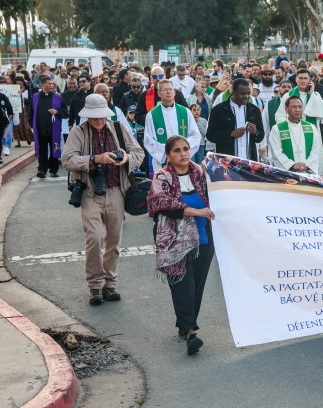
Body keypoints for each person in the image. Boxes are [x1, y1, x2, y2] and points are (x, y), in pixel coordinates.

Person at [61, 94, 145, 305]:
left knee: (113, 242)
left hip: (116, 190)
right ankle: (95, 286)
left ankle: (110, 284)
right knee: (95, 238)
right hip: (89, 192)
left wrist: (125, 159)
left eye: (102, 117)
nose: (99, 121)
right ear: (87, 116)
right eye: (95, 117)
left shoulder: (118, 128)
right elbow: (67, 160)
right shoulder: (78, 132)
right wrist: (94, 159)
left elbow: (138, 153)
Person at [147, 135, 214, 355]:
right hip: (175, 242)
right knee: (183, 285)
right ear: (168, 155)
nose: (183, 153)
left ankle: (185, 322)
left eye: (186, 149)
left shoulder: (200, 172)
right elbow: (163, 204)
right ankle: (190, 332)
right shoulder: (162, 176)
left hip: (203, 239)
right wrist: (196, 211)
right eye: (177, 150)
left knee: (197, 284)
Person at [144, 80, 201, 173]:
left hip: (183, 160)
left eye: (170, 89)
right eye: (165, 90)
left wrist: (182, 151)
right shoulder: (151, 115)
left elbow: (195, 136)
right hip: (163, 161)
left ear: (174, 92)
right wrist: (168, 153)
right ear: (159, 93)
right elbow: (148, 140)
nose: (168, 92)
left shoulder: (185, 112)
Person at [206, 78, 264, 160]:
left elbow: (261, 136)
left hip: (249, 162)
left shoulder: (254, 110)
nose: (246, 96)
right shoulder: (219, 110)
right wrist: (230, 134)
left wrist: (255, 132)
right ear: (233, 92)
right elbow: (210, 135)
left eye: (248, 93)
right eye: (242, 93)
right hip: (227, 163)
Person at [269, 95, 323, 174]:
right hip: (287, 173)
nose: (298, 110)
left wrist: (307, 165)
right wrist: (291, 165)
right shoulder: (277, 129)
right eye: (294, 107)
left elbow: (316, 149)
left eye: (300, 107)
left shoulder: (311, 127)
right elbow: (276, 152)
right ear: (286, 109)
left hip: (307, 172)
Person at [28, 76, 67, 177]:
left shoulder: (57, 97)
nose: (51, 86)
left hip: (53, 129)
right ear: (42, 85)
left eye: (52, 84)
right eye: (49, 84)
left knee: (55, 149)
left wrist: (57, 112)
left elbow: (65, 112)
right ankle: (42, 170)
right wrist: (32, 125)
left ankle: (54, 170)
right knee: (42, 150)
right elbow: (31, 112)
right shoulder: (36, 97)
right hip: (40, 129)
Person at [275, 68, 323, 132]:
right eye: (300, 78)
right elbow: (280, 116)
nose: (303, 81)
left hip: (311, 132)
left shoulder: (315, 95)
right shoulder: (288, 96)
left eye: (305, 78)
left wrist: (311, 94)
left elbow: (322, 111)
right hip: (292, 131)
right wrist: (288, 125)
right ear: (296, 79)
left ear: (309, 80)